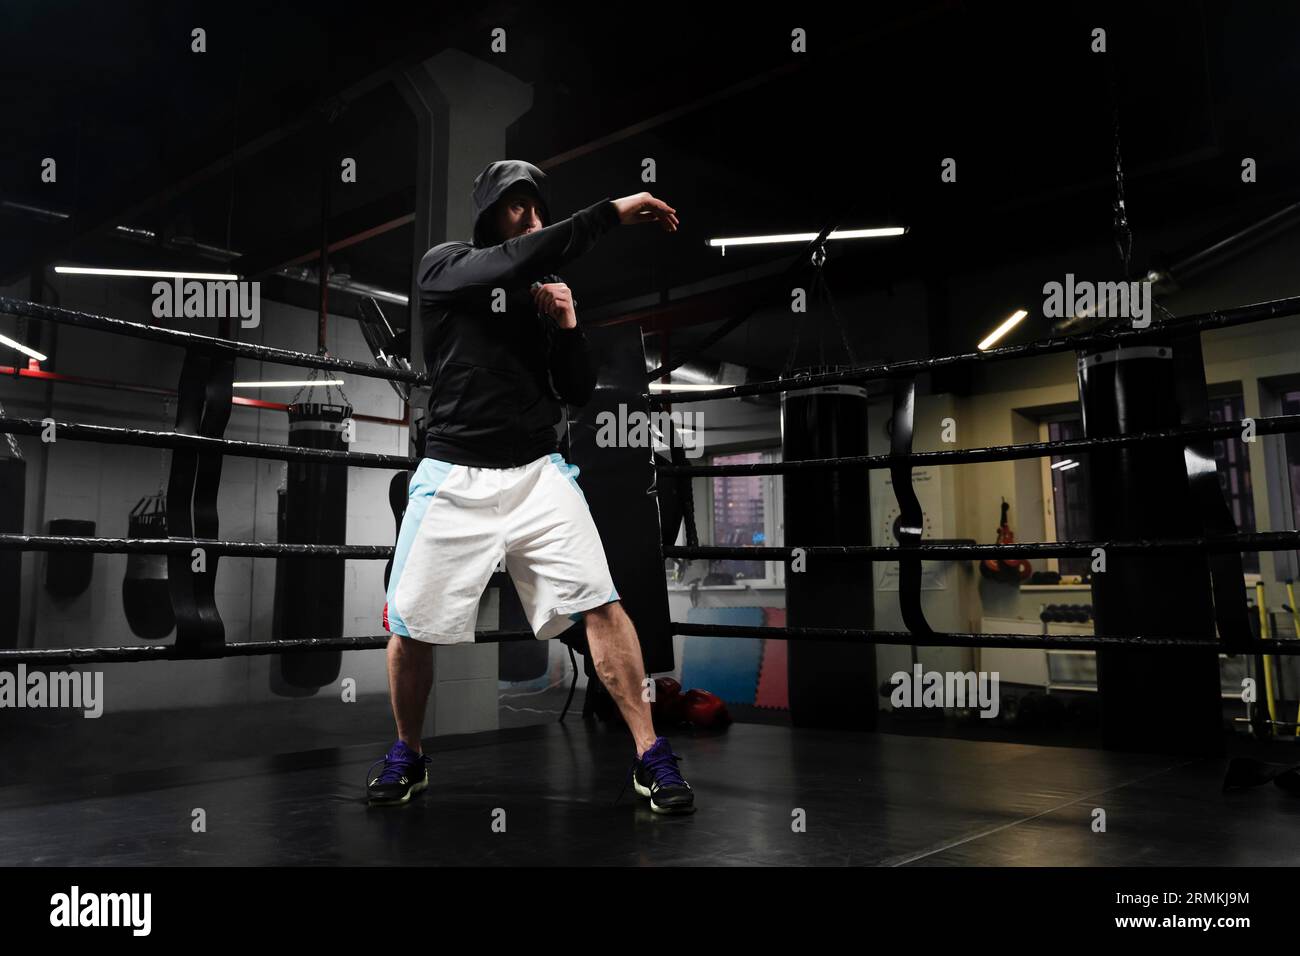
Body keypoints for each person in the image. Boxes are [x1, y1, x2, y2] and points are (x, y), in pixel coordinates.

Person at [368, 159, 695, 814]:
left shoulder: (545, 293)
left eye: (539, 209)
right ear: (490, 210)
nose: (533, 219)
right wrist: (610, 212)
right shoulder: (447, 267)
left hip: (539, 471)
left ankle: (649, 753)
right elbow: (507, 261)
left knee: (603, 604)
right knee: (411, 623)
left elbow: (574, 392)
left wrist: (569, 325)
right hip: (454, 470)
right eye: (519, 206)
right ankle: (409, 751)